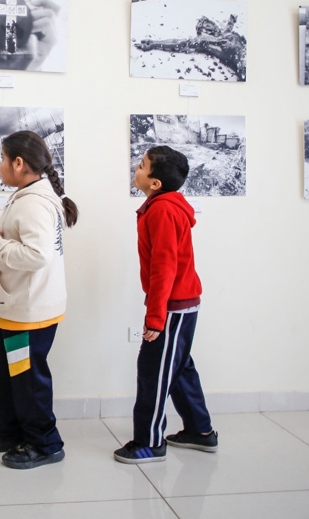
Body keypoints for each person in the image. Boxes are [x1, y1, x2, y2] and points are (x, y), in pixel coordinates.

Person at [0, 131, 78, 469]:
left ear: (19, 163)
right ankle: (10, 429)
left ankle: (45, 443)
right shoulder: (29, 194)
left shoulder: (33, 202)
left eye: (2, 158)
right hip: (17, 308)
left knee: (27, 378)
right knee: (5, 373)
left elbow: (37, 254)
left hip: (29, 313)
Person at [113, 147, 217, 465]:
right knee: (179, 367)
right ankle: (200, 432)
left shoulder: (161, 211)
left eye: (142, 166)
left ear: (155, 182)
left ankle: (150, 442)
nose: (136, 167)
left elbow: (165, 267)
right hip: (182, 303)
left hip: (173, 306)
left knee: (153, 371)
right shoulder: (162, 206)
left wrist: (155, 318)